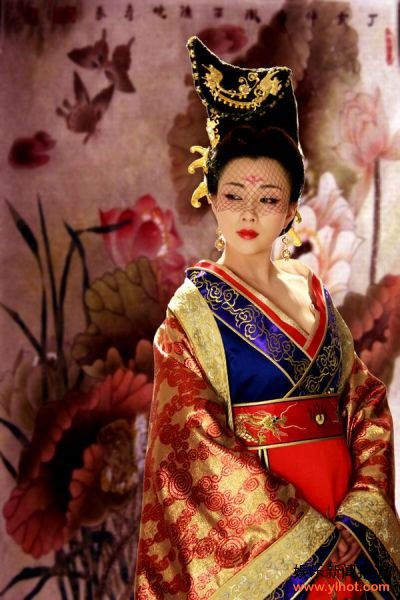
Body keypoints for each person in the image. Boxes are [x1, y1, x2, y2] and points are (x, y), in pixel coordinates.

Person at [135, 36, 400, 599]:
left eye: (269, 198)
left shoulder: (314, 293)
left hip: (343, 517)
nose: (250, 212)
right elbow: (194, 442)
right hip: (269, 535)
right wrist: (302, 532)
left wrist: (359, 513)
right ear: (211, 197)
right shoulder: (192, 312)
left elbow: (365, 403)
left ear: (292, 209)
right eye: (234, 195)